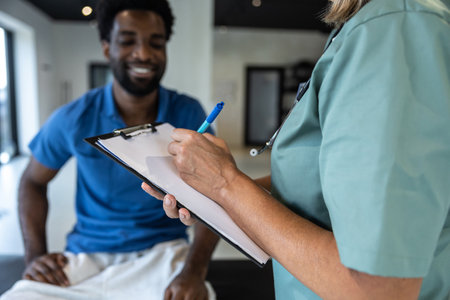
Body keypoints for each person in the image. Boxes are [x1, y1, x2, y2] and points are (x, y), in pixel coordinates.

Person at [142, 0, 450, 298]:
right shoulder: (365, 25)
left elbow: (378, 290)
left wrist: (225, 183)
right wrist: (214, 191)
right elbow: (320, 183)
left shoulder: (394, 26)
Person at [2, 0, 219, 299]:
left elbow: (216, 197)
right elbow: (32, 181)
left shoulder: (189, 114)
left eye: (155, 43)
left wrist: (193, 271)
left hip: (163, 255)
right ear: (107, 48)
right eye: (128, 41)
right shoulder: (74, 117)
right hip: (85, 258)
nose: (143, 53)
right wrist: (35, 257)